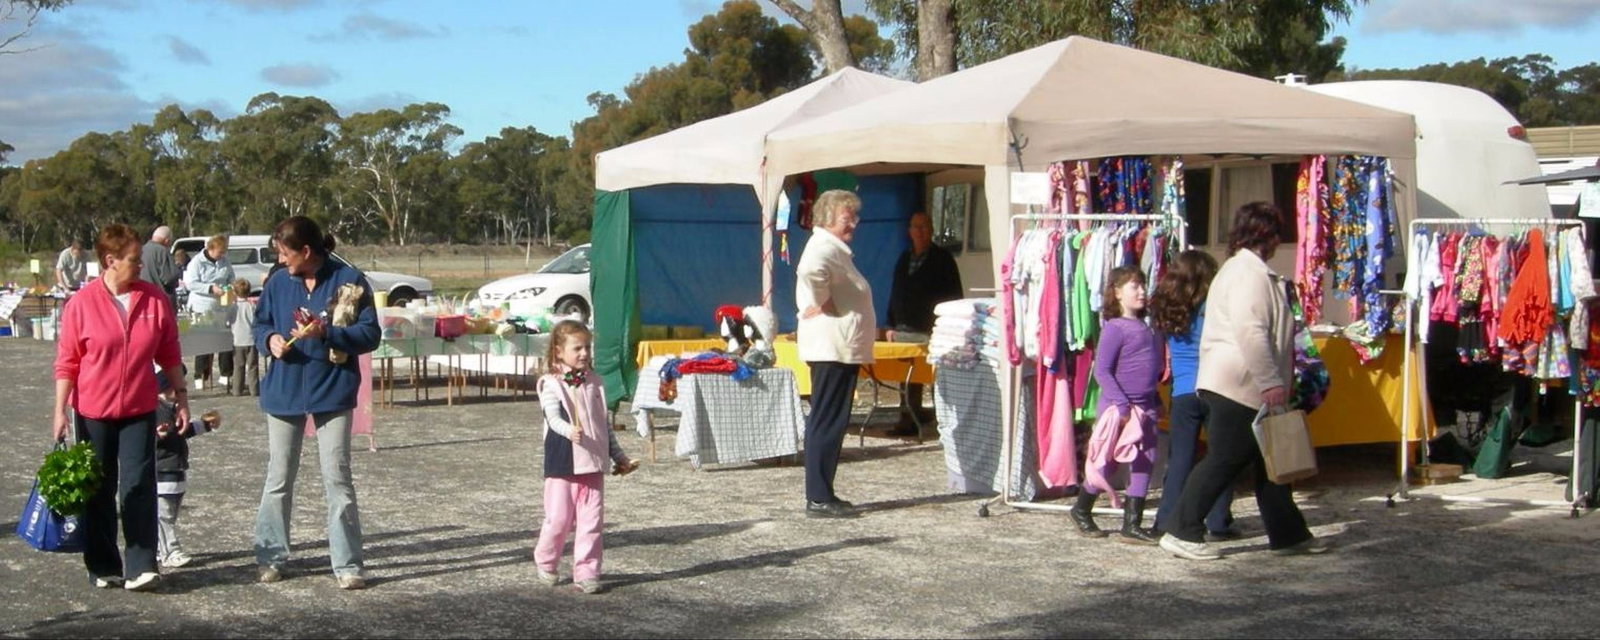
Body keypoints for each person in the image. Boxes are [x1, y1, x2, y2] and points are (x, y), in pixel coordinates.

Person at [1159, 202, 1332, 561]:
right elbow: (1251, 331)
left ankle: (1290, 535)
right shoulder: (1248, 275)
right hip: (1238, 385)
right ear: (1266, 234)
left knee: (1271, 465)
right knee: (1225, 459)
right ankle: (1181, 529)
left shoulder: (1242, 272)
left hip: (1236, 383)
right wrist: (1270, 381)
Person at [52, 223, 188, 592]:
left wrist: (181, 394)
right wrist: (59, 412)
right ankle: (102, 564)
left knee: (139, 484)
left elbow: (169, 351)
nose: (141, 265)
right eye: (134, 259)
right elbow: (67, 362)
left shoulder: (154, 300)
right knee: (99, 488)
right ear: (110, 261)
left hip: (139, 409)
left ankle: (142, 564)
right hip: (93, 412)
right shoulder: (81, 304)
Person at [252, 216, 381, 590]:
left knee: (338, 479)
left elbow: (370, 334)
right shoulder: (277, 282)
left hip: (333, 389)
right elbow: (260, 325)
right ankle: (270, 556)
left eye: (284, 252)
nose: (280, 258)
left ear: (306, 251)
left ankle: (348, 564)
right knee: (278, 477)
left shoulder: (350, 280)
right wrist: (270, 340)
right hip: (284, 390)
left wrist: (329, 333)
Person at [534, 320, 640, 595]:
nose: (584, 353)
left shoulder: (595, 382)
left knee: (592, 522)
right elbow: (552, 417)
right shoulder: (550, 384)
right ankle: (546, 561)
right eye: (577, 348)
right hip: (563, 463)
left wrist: (618, 455)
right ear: (559, 351)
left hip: (592, 463)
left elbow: (603, 426)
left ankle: (587, 571)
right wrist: (569, 430)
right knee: (558, 520)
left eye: (587, 347)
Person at [795, 189, 875, 519]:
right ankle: (817, 495)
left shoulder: (836, 250)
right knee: (827, 419)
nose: (853, 223)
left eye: (855, 217)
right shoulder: (823, 248)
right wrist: (822, 299)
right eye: (847, 218)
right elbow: (810, 271)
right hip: (832, 346)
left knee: (831, 419)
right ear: (827, 219)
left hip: (839, 346)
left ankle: (823, 491)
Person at [1148, 250, 1238, 540]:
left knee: (1180, 462)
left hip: (1183, 391)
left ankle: (1164, 520)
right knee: (1221, 457)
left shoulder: (1167, 306)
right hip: (1215, 386)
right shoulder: (1213, 306)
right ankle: (1218, 520)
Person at [1070, 266, 1163, 544]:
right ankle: (1081, 509)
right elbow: (1103, 371)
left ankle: (1132, 524)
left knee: (1145, 460)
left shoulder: (1147, 328)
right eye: (1134, 286)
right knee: (1108, 464)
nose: (1142, 291)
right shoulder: (1114, 328)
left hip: (1145, 407)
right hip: (1119, 409)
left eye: (1143, 286)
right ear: (1118, 293)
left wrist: (1155, 399)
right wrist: (1121, 405)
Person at [883, 211, 963, 436]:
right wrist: (890, 324)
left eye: (924, 226)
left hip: (932, 330)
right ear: (909, 231)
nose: (919, 231)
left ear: (932, 230)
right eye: (915, 226)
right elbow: (894, 293)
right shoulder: (903, 258)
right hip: (903, 329)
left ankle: (944, 422)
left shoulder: (943, 259)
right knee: (906, 377)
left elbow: (955, 295)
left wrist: (947, 327)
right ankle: (908, 417)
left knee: (936, 376)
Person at [154, 370, 222, 570]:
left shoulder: (174, 408)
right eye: (180, 380)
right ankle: (170, 551)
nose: (184, 384)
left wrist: (205, 425)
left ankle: (160, 548)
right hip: (162, 473)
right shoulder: (155, 410)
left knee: (169, 516)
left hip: (177, 472)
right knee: (163, 516)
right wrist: (157, 436)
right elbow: (141, 439)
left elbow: (184, 431)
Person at [185, 234, 236, 390]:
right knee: (204, 343)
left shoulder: (225, 262)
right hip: (201, 305)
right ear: (211, 249)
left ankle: (226, 375)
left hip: (221, 305)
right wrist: (210, 288)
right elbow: (190, 283)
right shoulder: (197, 262)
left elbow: (231, 277)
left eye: (223, 252)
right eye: (219, 252)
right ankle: (200, 375)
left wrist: (230, 287)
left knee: (224, 341)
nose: (222, 255)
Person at [229, 278, 260, 396]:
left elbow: (228, 321)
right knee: (253, 367)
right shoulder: (251, 306)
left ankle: (237, 390)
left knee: (238, 367)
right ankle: (254, 390)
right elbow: (255, 321)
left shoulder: (233, 307)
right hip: (251, 340)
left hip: (237, 340)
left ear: (235, 293)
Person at [140, 225, 180, 311]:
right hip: (162, 301)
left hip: (144, 300)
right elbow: (169, 278)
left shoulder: (141, 250)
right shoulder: (163, 251)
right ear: (167, 241)